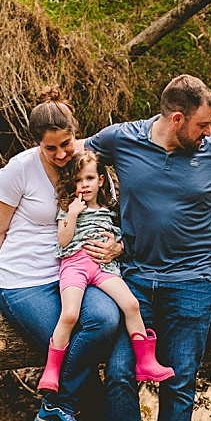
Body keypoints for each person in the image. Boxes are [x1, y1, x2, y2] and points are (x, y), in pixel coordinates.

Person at [84, 74, 211, 421]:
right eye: (202, 125)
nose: (209, 133)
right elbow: (70, 161)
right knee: (122, 375)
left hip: (193, 283)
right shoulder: (120, 140)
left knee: (181, 381)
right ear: (176, 119)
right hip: (135, 283)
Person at [0, 89, 123, 421]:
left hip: (74, 270)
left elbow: (111, 216)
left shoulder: (89, 165)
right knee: (64, 341)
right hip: (23, 282)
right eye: (51, 148)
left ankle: (58, 408)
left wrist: (117, 246)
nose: (62, 154)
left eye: (67, 143)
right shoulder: (18, 171)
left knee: (106, 320)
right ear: (37, 145)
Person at [39, 150, 173, 392]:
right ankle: (52, 370)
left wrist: (117, 244)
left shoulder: (111, 208)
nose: (84, 185)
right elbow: (62, 239)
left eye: (89, 178)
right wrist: (72, 213)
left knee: (132, 305)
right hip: (76, 265)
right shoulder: (68, 207)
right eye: (78, 180)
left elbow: (122, 238)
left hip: (104, 267)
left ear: (101, 179)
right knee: (70, 315)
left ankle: (146, 362)